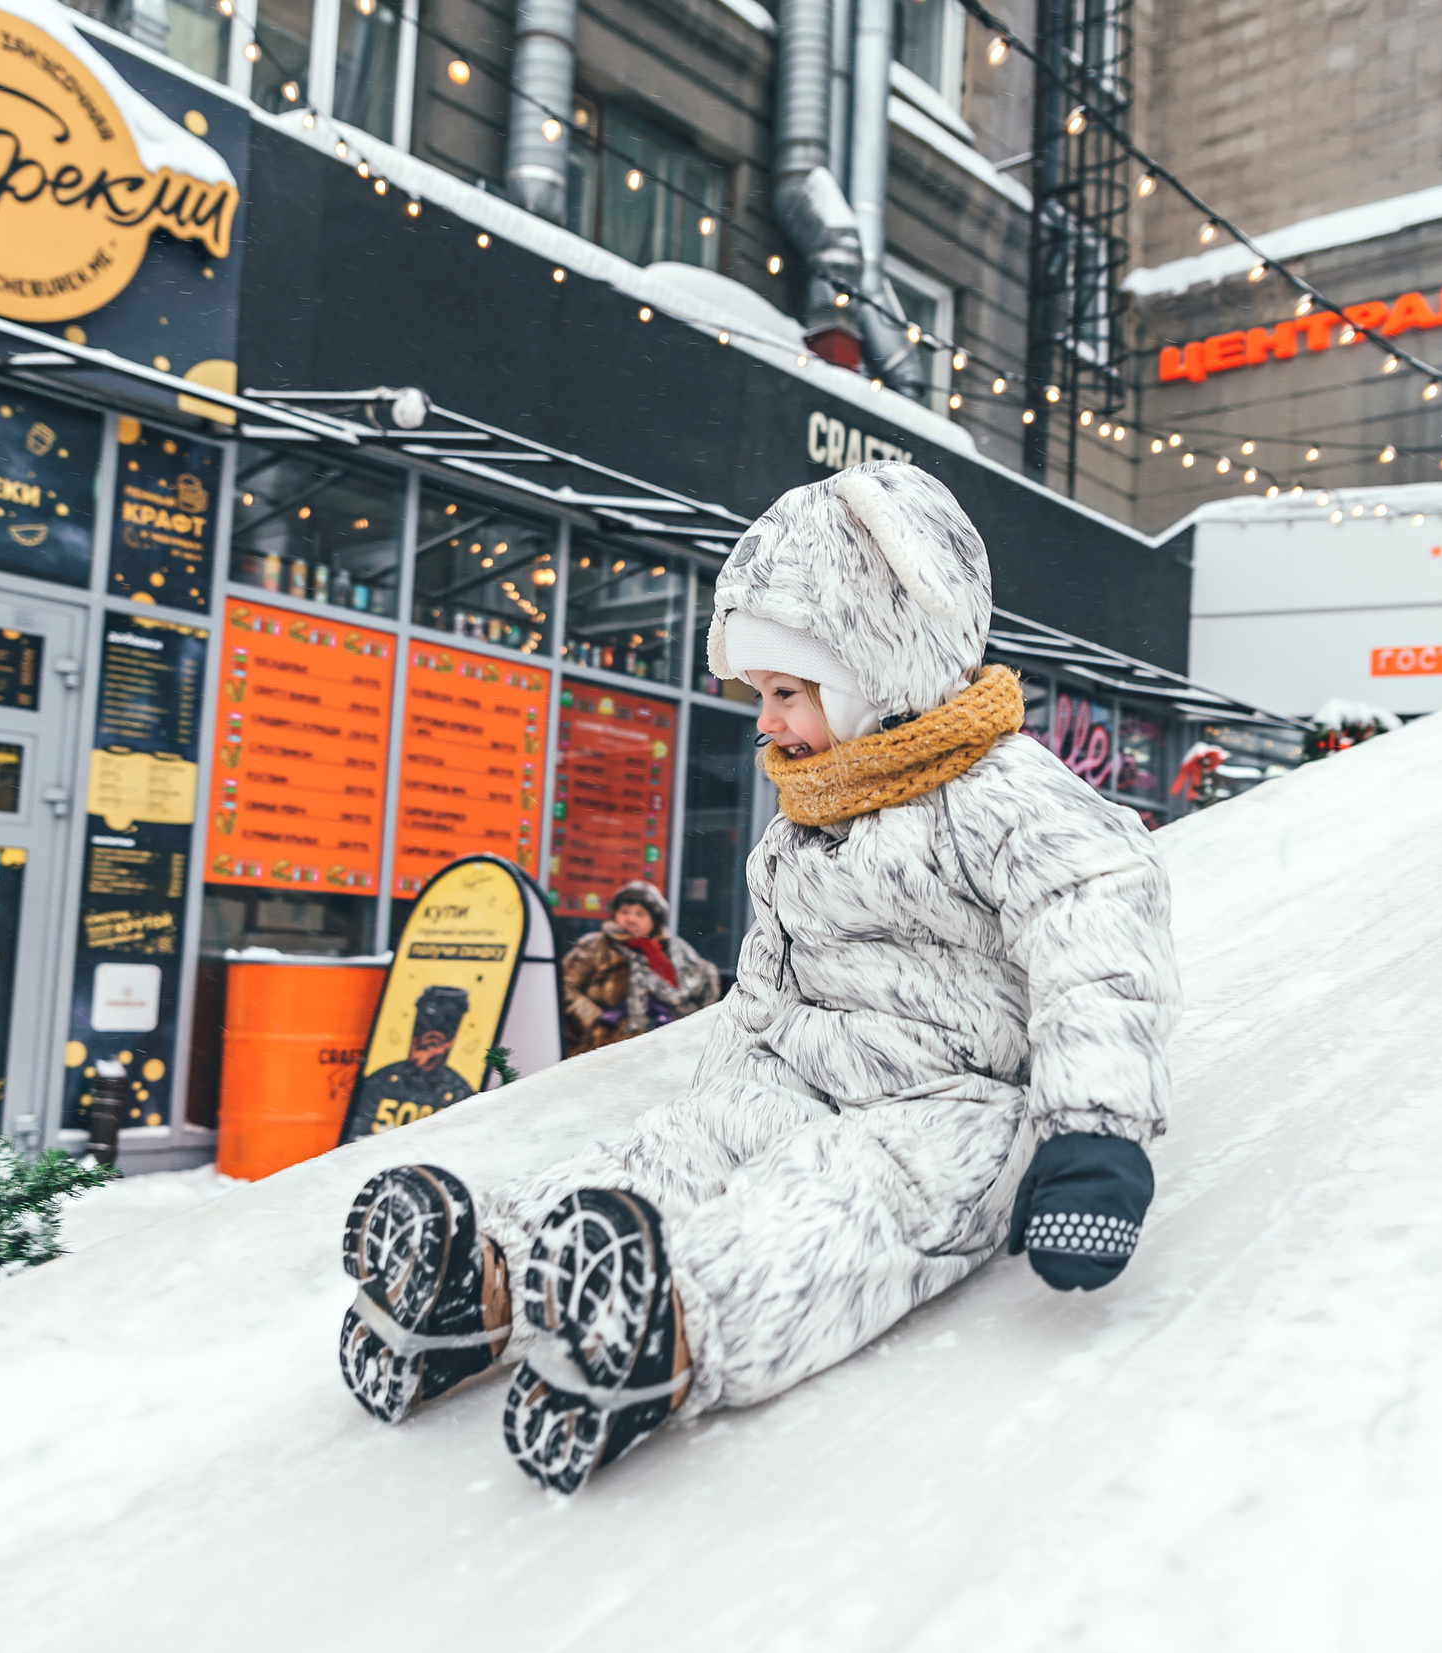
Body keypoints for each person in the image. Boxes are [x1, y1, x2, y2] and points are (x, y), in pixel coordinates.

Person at [333, 462, 1180, 1493]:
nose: (768, 720)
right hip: (807, 1072)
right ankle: (486, 1276)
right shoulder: (802, 822)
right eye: (760, 693)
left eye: (789, 691)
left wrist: (1095, 1133)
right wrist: (718, 1108)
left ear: (881, 666)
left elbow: (1099, 949)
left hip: (960, 1103)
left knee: (844, 1195)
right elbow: (763, 993)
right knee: (676, 1146)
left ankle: (675, 1322)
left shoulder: (1010, 799)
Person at [557, 880, 720, 1058]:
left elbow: (699, 996)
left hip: (663, 1051)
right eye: (624, 912)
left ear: (655, 919)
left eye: (640, 914)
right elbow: (562, 987)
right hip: (601, 1051)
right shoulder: (595, 945)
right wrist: (597, 1020)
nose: (630, 919)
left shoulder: (677, 951)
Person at [341, 985, 477, 1136]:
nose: (424, 1052)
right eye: (422, 1041)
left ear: (447, 1045)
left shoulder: (459, 1091)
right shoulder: (381, 1081)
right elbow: (354, 1138)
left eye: (433, 1044)